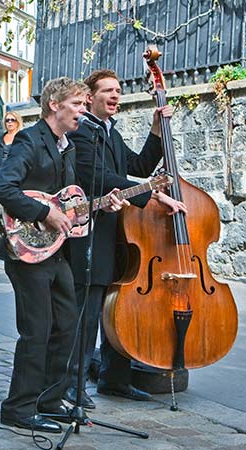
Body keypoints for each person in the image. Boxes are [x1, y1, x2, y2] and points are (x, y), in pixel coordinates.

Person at [0, 77, 125, 433]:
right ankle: (18, 408)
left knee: (68, 324)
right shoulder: (29, 140)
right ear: (55, 105)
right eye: (78, 105)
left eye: (84, 104)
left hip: (54, 250)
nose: (83, 112)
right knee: (37, 330)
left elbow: (66, 205)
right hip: (25, 250)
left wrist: (99, 206)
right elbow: (3, 188)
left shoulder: (65, 146)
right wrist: (43, 214)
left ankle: (49, 400)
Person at [64, 69, 187, 408]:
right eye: (108, 91)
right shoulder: (83, 134)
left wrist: (156, 129)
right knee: (87, 315)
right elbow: (98, 177)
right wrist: (151, 195)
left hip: (118, 236)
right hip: (92, 238)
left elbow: (140, 164)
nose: (116, 96)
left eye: (118, 90)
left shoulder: (109, 133)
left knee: (115, 313)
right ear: (90, 97)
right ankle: (73, 386)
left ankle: (114, 379)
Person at [0, 110, 24, 178]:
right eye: (7, 120)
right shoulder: (0, 139)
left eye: (12, 120)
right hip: (1, 173)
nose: (10, 122)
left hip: (16, 173)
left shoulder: (23, 137)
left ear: (17, 122)